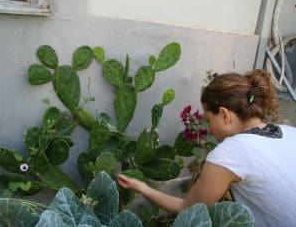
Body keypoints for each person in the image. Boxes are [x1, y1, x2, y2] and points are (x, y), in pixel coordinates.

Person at [117, 69, 296, 226]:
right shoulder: (289, 132)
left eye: (209, 119)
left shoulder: (230, 153)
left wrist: (143, 188)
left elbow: (187, 209)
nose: (208, 128)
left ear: (225, 115)